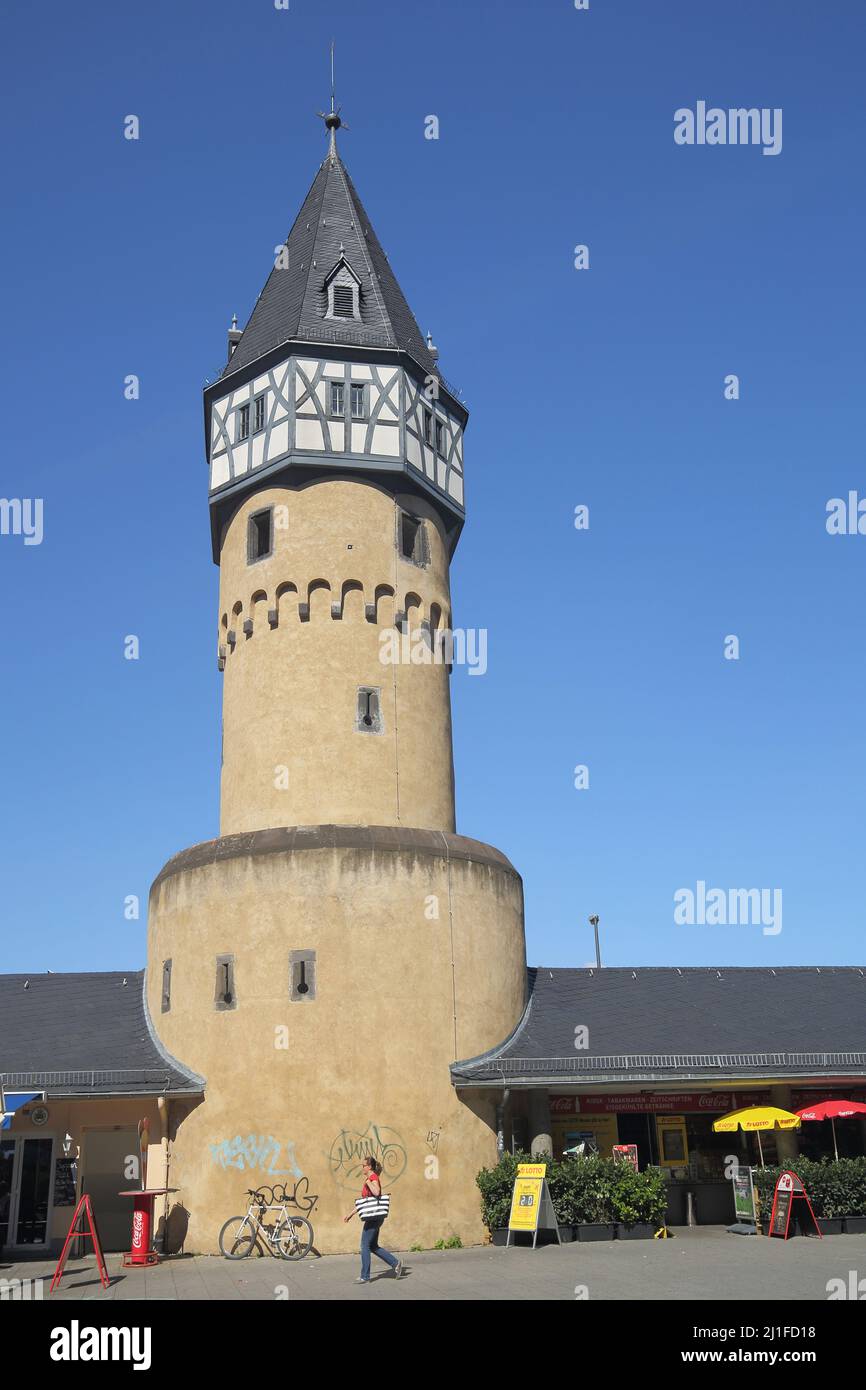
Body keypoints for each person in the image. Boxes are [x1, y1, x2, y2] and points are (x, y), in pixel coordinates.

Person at [344, 1157, 405, 1284]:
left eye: (364, 1166)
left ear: (369, 1167)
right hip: (375, 1217)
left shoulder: (373, 1178)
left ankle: (365, 1276)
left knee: (364, 1245)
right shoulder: (370, 1178)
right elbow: (366, 1203)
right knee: (373, 1246)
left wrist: (368, 1183)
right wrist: (351, 1214)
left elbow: (376, 1192)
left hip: (373, 1218)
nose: (362, 1168)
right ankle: (396, 1263)